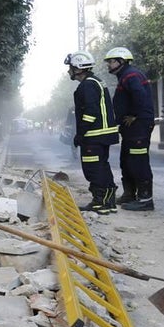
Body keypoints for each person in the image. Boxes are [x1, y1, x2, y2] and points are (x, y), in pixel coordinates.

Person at [65, 51, 120, 213]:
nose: (69, 71)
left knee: (93, 169)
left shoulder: (88, 85)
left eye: (71, 67)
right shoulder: (95, 81)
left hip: (94, 135)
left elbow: (90, 112)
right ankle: (108, 202)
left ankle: (100, 202)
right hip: (102, 134)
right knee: (102, 166)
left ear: (78, 68)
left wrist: (80, 134)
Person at [104, 47, 156, 211]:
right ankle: (129, 194)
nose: (108, 65)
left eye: (111, 61)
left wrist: (134, 114)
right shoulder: (125, 76)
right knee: (126, 160)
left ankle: (145, 199)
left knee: (138, 161)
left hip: (138, 126)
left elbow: (139, 95)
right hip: (131, 127)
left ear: (122, 61)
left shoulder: (131, 75)